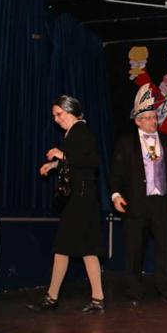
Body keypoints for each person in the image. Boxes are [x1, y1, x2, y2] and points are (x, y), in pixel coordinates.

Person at [27, 96, 105, 314]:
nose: (56, 119)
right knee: (79, 247)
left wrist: (61, 155)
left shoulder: (81, 131)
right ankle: (93, 298)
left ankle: (54, 297)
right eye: (54, 115)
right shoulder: (75, 132)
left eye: (59, 114)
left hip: (81, 199)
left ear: (71, 111)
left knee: (68, 247)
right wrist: (54, 164)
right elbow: (77, 161)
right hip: (81, 198)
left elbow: (91, 161)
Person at [110, 84, 167, 306]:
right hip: (136, 202)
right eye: (149, 118)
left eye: (154, 117)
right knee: (134, 249)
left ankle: (166, 288)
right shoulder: (126, 143)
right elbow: (116, 172)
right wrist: (115, 195)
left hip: (163, 202)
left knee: (165, 248)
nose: (154, 121)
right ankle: (134, 291)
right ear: (138, 121)